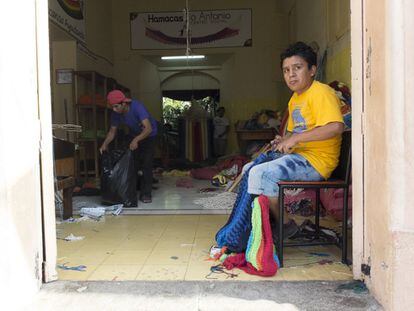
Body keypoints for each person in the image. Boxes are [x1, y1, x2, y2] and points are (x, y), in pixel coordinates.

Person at [243, 41, 344, 236]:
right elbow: (293, 133)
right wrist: (283, 140)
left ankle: (284, 225)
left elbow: (336, 127)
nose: (291, 74)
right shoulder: (295, 98)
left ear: (312, 70)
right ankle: (267, 224)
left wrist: (296, 139)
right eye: (286, 70)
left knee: (262, 174)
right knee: (249, 168)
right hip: (300, 157)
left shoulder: (321, 92)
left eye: (297, 68)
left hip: (316, 162)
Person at [100, 90, 158, 203]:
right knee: (132, 163)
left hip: (149, 134)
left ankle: (146, 194)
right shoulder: (116, 113)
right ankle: (131, 190)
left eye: (116, 106)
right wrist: (104, 144)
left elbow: (148, 128)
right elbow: (112, 132)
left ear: (124, 103)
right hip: (134, 134)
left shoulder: (137, 107)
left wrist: (136, 140)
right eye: (112, 107)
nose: (114, 109)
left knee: (146, 163)